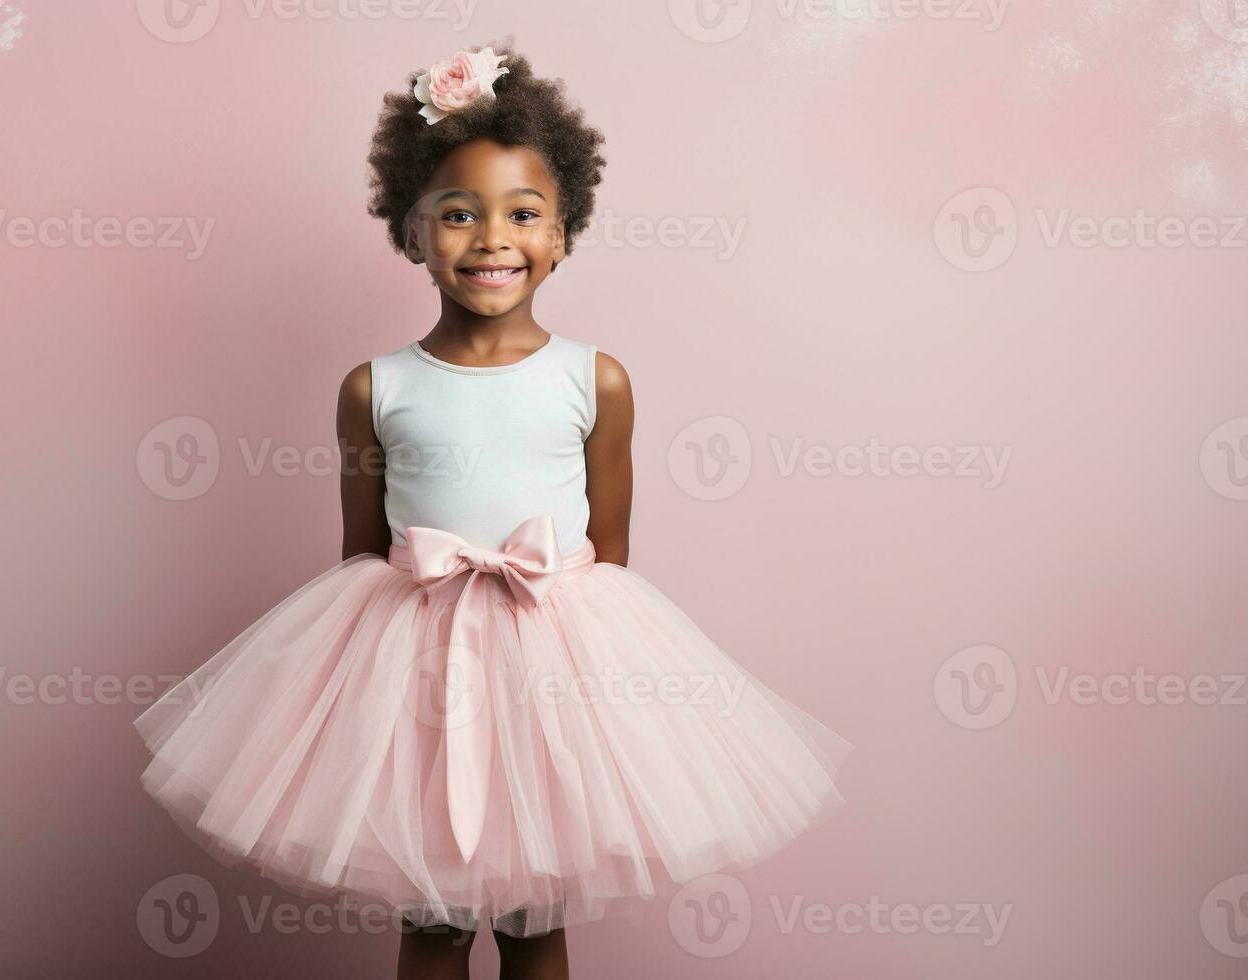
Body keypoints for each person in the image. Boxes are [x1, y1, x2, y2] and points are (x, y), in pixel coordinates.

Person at [134, 41, 851, 980]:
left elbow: (609, 554)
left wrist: (587, 696)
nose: (492, 238)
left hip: (553, 675)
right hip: (415, 676)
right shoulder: (374, 388)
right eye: (458, 214)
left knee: (532, 920)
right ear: (413, 231)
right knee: (431, 920)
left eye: (523, 214)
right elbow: (364, 556)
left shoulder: (595, 379)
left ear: (563, 233)